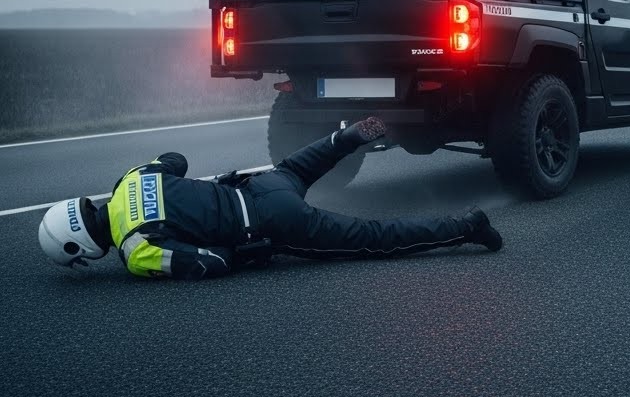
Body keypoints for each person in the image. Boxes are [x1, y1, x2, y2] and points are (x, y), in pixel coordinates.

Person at [37, 117, 502, 279]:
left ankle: (467, 225)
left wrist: (246, 255)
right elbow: (175, 160)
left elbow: (212, 263)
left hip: (271, 225)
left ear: (80, 247)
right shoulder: (129, 181)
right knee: (299, 167)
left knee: (374, 238)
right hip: (262, 185)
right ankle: (348, 137)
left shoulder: (136, 251)